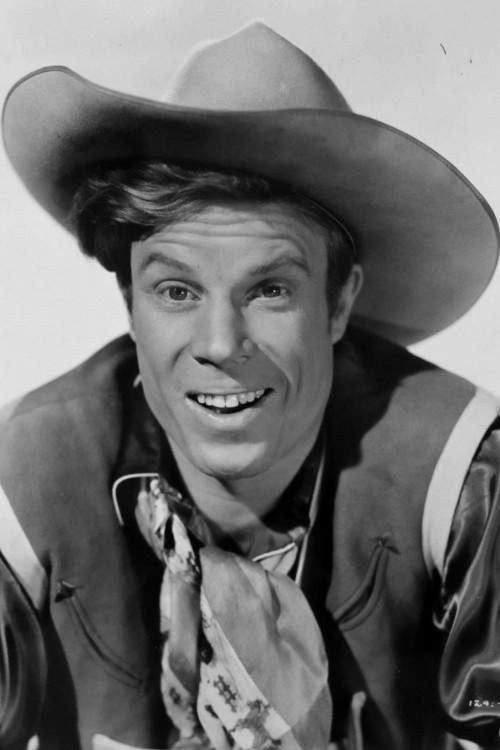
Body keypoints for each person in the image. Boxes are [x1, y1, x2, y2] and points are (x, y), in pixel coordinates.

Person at [1, 20, 499, 750]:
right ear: (129, 305)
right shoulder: (21, 481)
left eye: (269, 290)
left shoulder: (465, 478)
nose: (219, 346)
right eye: (176, 291)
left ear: (339, 302)